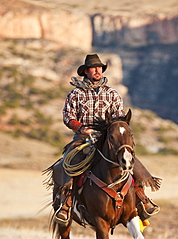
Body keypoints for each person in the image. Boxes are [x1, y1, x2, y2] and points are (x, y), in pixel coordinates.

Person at [53, 54, 161, 225]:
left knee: (128, 158)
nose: (97, 71)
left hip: (108, 136)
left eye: (99, 68)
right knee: (69, 162)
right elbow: (68, 117)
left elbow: (119, 115)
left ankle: (142, 199)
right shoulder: (75, 94)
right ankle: (66, 204)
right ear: (86, 72)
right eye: (93, 68)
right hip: (84, 137)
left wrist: (117, 129)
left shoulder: (112, 93)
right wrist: (82, 128)